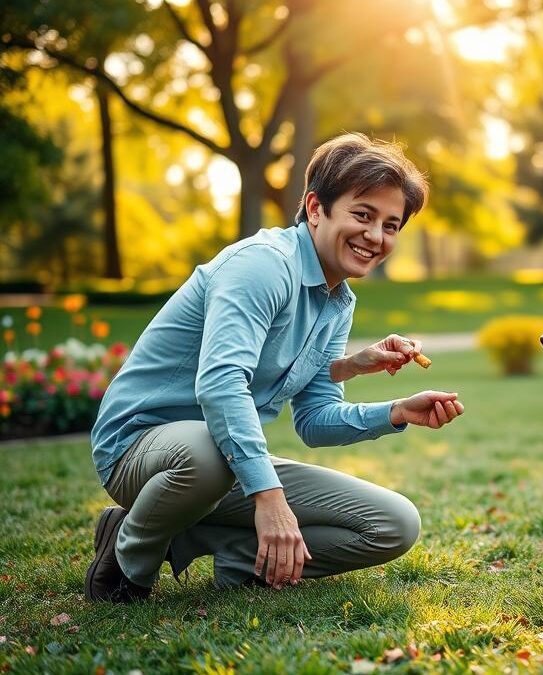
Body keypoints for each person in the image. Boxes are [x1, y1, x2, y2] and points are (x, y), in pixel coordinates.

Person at [86, 133, 464, 602]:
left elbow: (315, 421)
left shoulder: (337, 301)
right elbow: (222, 386)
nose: (375, 237)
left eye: (391, 225)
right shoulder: (262, 266)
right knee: (208, 452)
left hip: (227, 461)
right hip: (142, 450)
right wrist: (270, 499)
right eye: (362, 215)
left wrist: (397, 412)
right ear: (314, 208)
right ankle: (127, 564)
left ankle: (211, 547)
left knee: (393, 524)